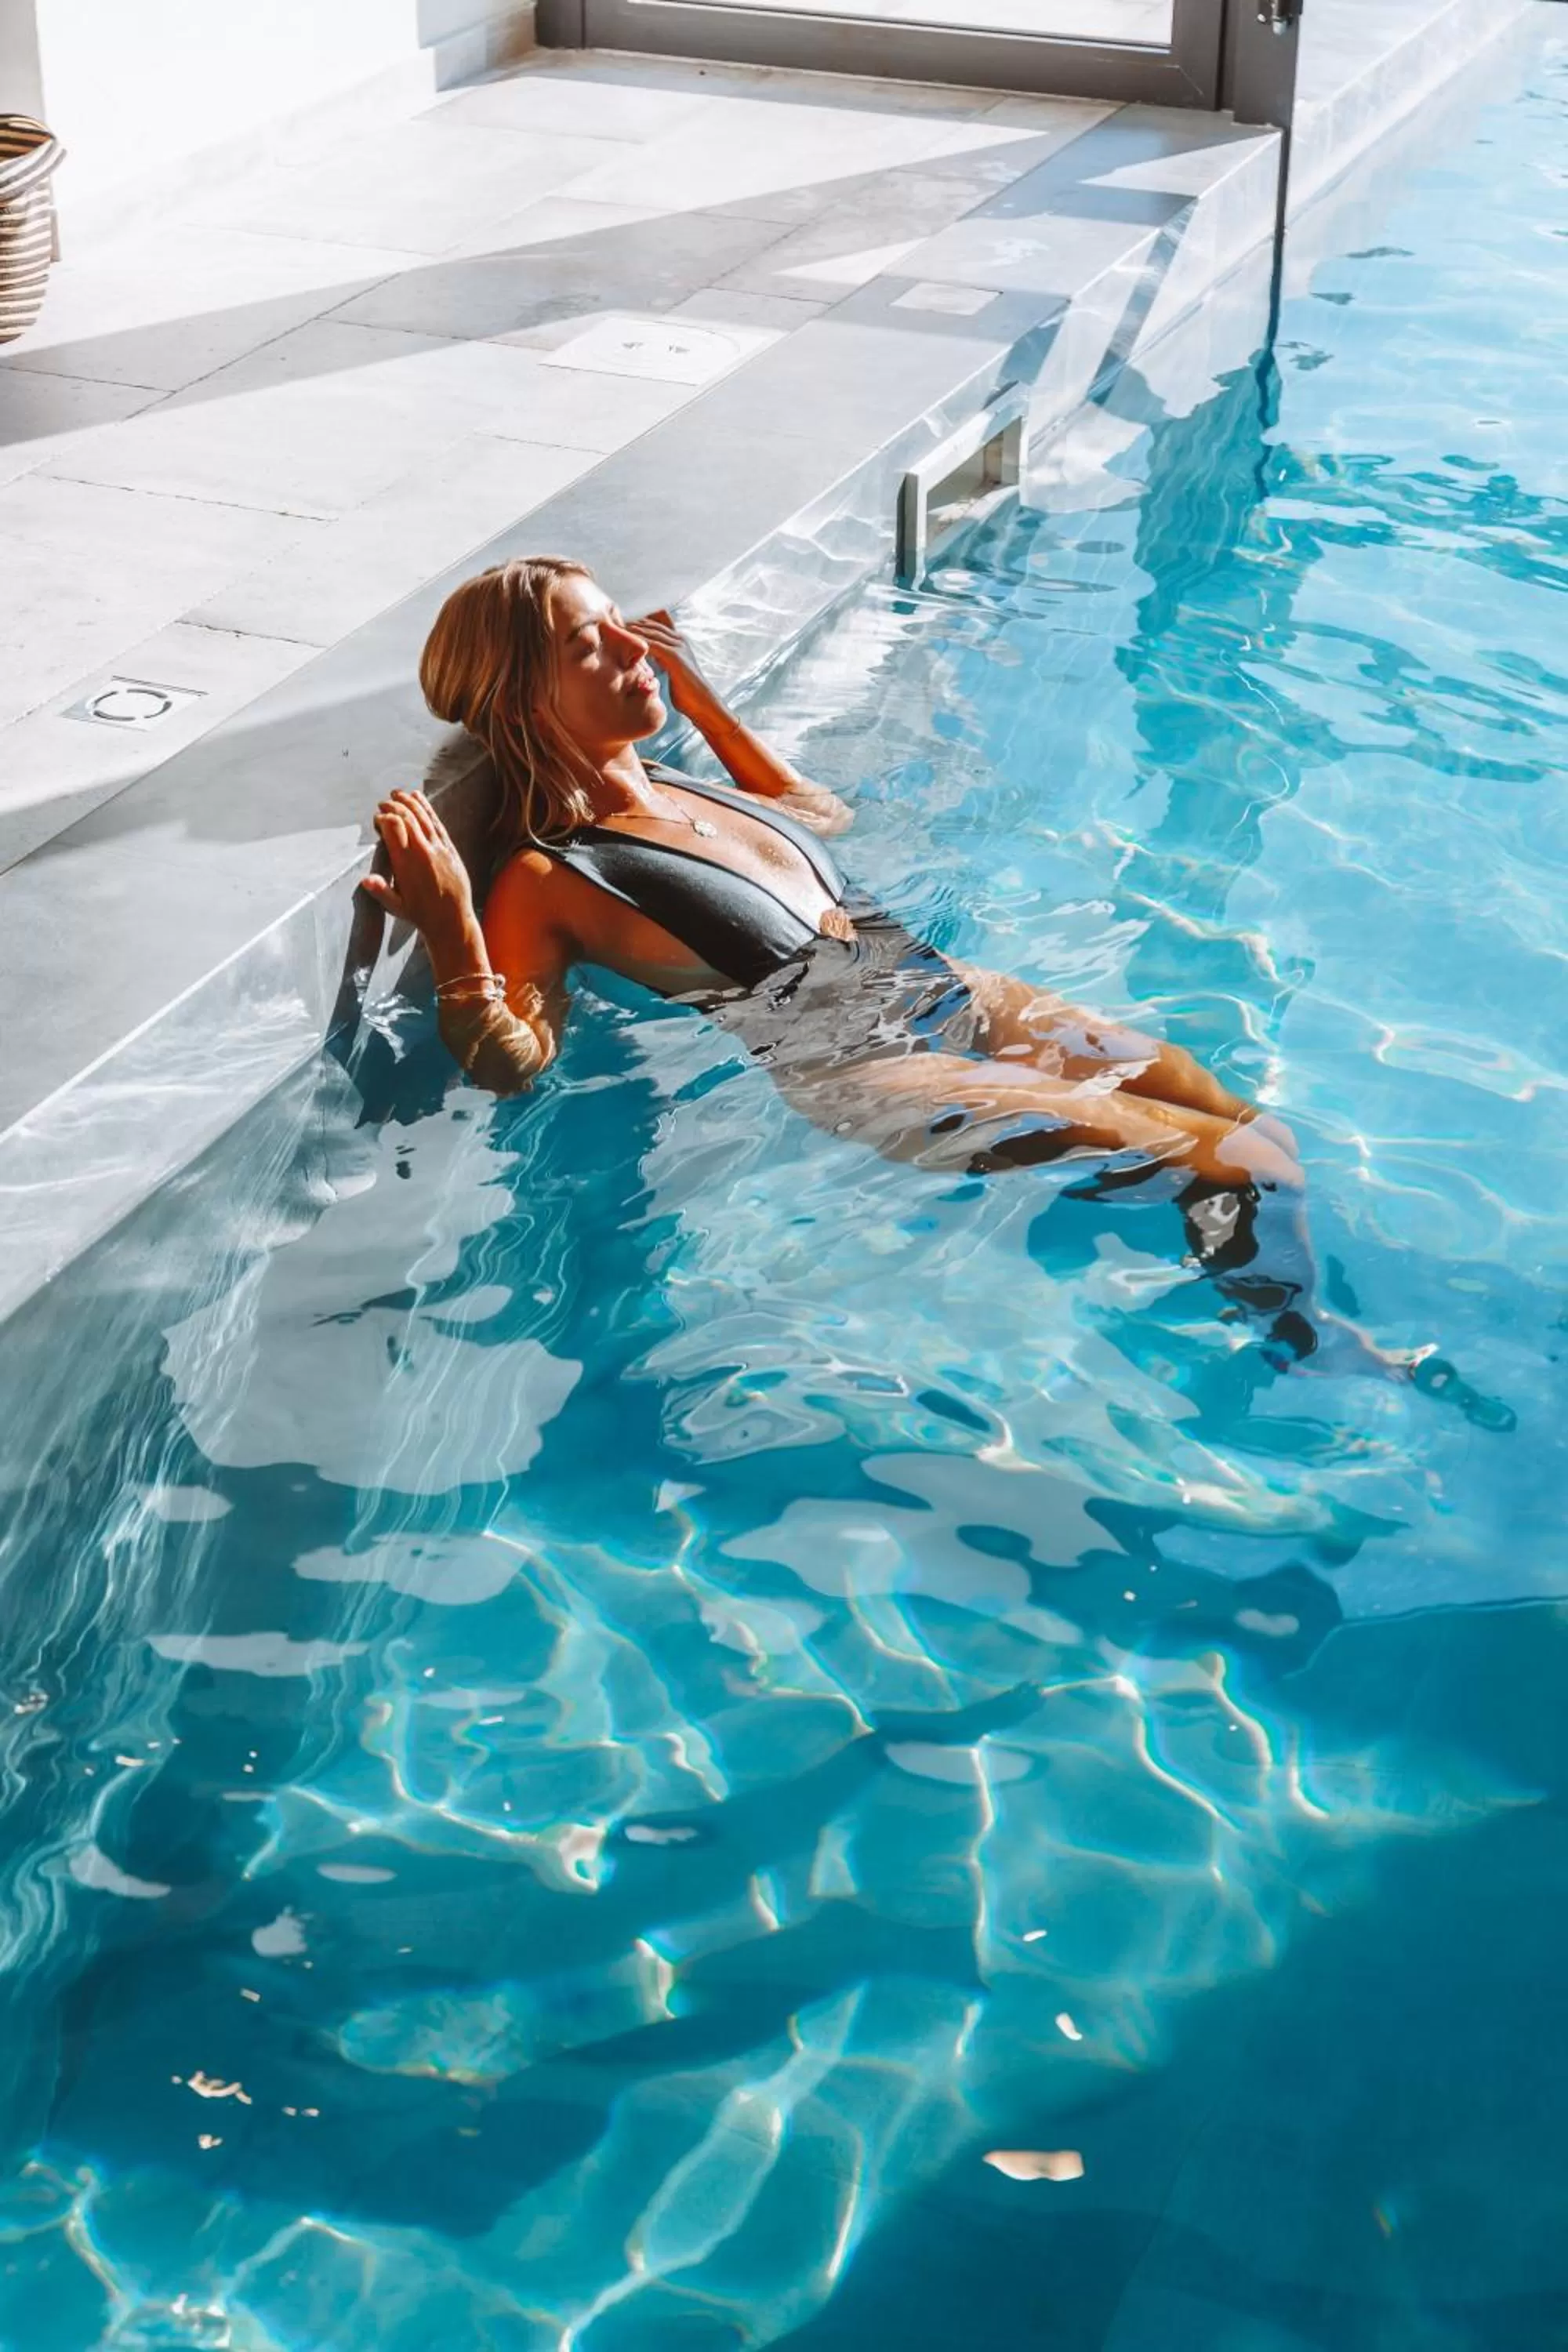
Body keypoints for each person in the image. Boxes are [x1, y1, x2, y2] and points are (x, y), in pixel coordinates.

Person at [360, 556, 1506, 1417]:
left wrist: (707, 709)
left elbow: (819, 818)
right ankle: (1320, 1360)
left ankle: (1270, 1310)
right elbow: (513, 1069)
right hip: (874, 1067)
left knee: (1255, 1132)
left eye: (623, 627)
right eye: (590, 644)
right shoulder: (544, 877)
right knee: (1232, 1171)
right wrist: (458, 932)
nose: (632, 651)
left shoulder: (663, 780)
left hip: (939, 987)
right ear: (522, 697)